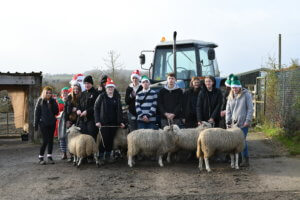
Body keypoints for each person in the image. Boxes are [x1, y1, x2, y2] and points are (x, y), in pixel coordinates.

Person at [94, 78, 125, 162]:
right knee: (104, 140)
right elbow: (96, 108)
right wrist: (97, 121)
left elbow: (120, 111)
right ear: (106, 88)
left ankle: (108, 156)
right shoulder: (101, 96)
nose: (110, 89)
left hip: (114, 123)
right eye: (108, 87)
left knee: (111, 140)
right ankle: (100, 156)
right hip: (104, 123)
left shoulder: (116, 97)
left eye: (111, 87)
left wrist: (121, 121)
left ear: (114, 88)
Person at [226, 75, 254, 167]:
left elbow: (250, 109)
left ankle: (246, 160)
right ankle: (237, 160)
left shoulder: (246, 94)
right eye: (233, 87)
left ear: (239, 87)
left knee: (242, 141)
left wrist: (248, 121)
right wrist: (228, 122)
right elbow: (228, 110)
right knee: (233, 142)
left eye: (236, 87)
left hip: (243, 123)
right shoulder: (230, 96)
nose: (234, 89)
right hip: (233, 124)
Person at [34, 86, 59, 165]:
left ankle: (49, 156)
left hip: (52, 123)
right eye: (47, 93)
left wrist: (54, 103)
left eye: (50, 93)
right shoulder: (40, 100)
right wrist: (36, 124)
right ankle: (41, 157)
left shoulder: (53, 101)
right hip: (43, 123)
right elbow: (37, 113)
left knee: (51, 140)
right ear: (44, 93)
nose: (48, 94)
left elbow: (56, 112)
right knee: (45, 140)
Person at [76, 75, 99, 141]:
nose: (86, 85)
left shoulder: (96, 93)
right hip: (82, 120)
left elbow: (96, 106)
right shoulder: (82, 94)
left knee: (91, 138)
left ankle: (92, 151)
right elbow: (78, 104)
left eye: (88, 83)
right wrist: (78, 110)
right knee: (82, 138)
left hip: (91, 119)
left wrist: (87, 111)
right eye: (85, 83)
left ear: (91, 84)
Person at [57, 87, 70, 160]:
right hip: (61, 121)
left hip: (68, 121)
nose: (65, 94)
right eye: (63, 93)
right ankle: (64, 153)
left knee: (69, 137)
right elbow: (55, 111)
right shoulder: (58, 101)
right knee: (62, 137)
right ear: (61, 94)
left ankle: (70, 153)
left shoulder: (70, 101)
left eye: (66, 93)